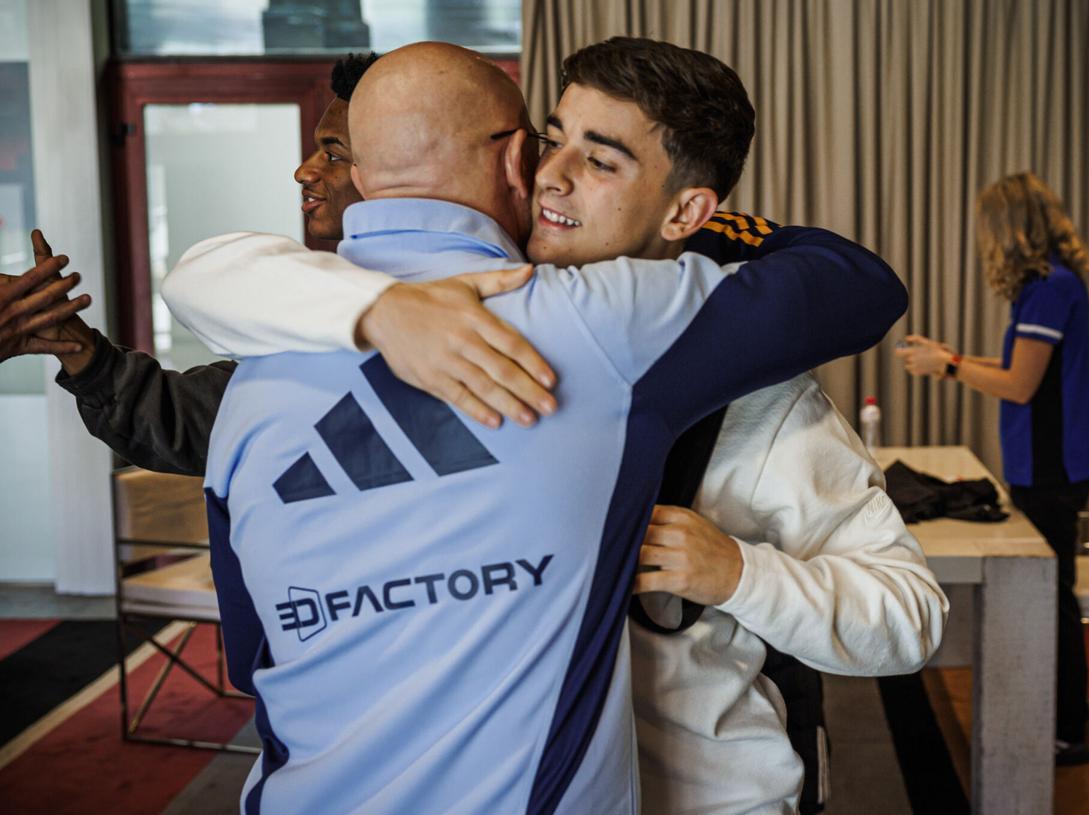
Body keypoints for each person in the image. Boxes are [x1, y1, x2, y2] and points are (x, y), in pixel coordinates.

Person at [167, 38, 945, 814]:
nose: (550, 175)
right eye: (551, 138)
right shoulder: (394, 323)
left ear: (687, 210)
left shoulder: (759, 393)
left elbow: (911, 617)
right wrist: (379, 310)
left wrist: (740, 574)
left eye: (600, 160)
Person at [0, 53, 559, 479]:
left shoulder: (559, 300)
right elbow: (188, 419)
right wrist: (84, 355)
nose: (304, 171)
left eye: (336, 153)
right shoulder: (308, 309)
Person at [895, 170, 1089, 766]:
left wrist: (948, 367)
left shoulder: (1049, 288)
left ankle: (1066, 731)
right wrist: (950, 358)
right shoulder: (1049, 285)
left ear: (1009, 229)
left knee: (1054, 595)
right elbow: (1015, 363)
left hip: (1054, 465)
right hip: (1050, 461)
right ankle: (1065, 720)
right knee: (1056, 590)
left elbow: (1018, 383)